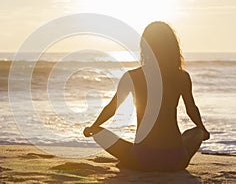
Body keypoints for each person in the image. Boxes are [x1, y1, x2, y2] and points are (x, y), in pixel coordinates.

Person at [83, 21, 210, 172]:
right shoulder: (181, 77)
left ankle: (126, 155)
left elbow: (112, 108)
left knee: (99, 132)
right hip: (175, 160)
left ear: (145, 47)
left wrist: (93, 127)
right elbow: (191, 108)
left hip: (141, 160)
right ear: (172, 47)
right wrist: (203, 130)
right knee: (196, 132)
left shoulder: (132, 76)